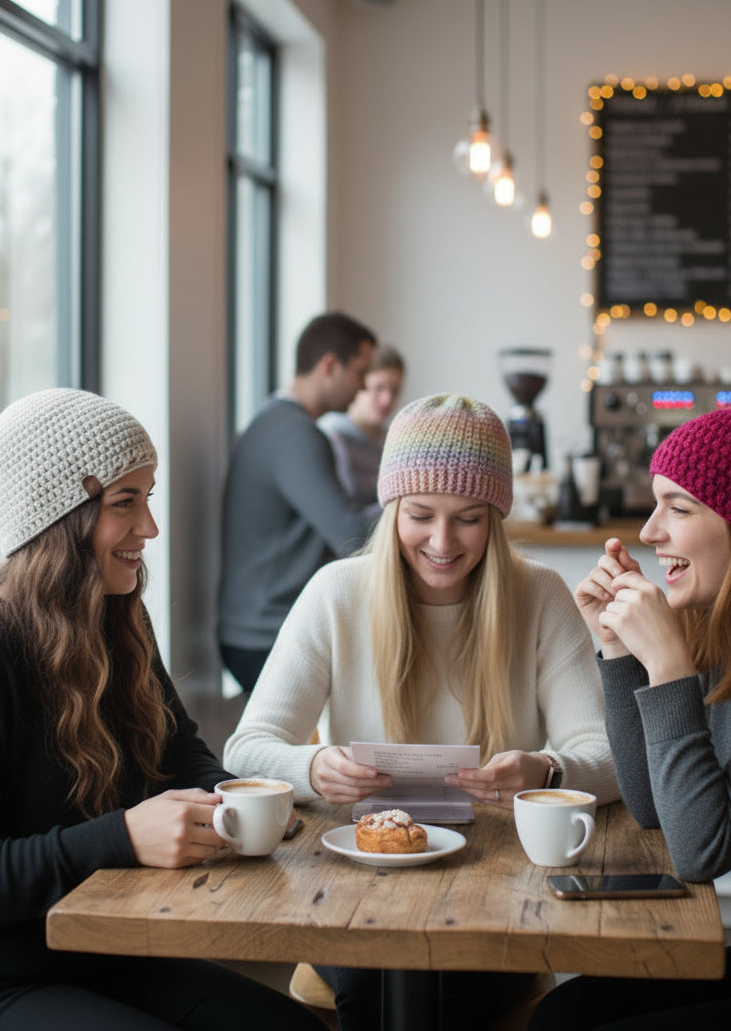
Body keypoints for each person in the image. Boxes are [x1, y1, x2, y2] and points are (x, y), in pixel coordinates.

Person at [224, 393, 619, 1030]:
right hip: (357, 881)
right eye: (420, 515)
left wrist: (547, 771)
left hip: (496, 885)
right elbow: (246, 749)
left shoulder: (539, 594)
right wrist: (315, 764)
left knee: (452, 995)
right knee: (377, 985)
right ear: (390, 511)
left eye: (468, 517)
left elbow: (608, 755)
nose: (441, 542)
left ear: (495, 518)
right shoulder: (337, 592)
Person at [0, 388, 322, 1031]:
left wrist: (232, 795)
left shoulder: (116, 615)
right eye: (124, 503)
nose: (150, 529)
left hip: (108, 949)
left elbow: (177, 746)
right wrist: (122, 837)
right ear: (57, 519)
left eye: (147, 498)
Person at [530, 391, 731, 1031]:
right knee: (562, 1016)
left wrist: (667, 667)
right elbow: (651, 808)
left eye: (679, 507)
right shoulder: (724, 632)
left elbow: (700, 848)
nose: (648, 531)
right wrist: (617, 652)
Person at [217, 310, 380, 694]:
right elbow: (352, 535)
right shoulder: (296, 434)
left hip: (252, 632)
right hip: (265, 637)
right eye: (360, 372)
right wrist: (409, 492)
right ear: (329, 365)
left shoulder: (271, 422)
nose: (362, 388)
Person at [318, 344, 405, 508]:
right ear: (359, 384)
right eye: (378, 388)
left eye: (395, 391)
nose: (387, 399)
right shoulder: (332, 437)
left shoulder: (393, 440)